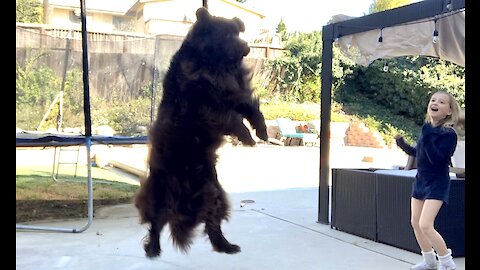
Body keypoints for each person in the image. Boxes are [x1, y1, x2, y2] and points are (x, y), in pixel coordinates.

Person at [395, 91, 462, 270]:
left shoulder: (449, 134)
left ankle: (447, 263)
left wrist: (431, 134)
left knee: (426, 225)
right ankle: (429, 261)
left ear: (449, 111)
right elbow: (419, 153)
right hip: (421, 181)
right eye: (433, 100)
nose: (436, 103)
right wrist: (402, 144)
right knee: (415, 222)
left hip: (437, 182)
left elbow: (438, 158)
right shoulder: (427, 128)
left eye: (441, 102)